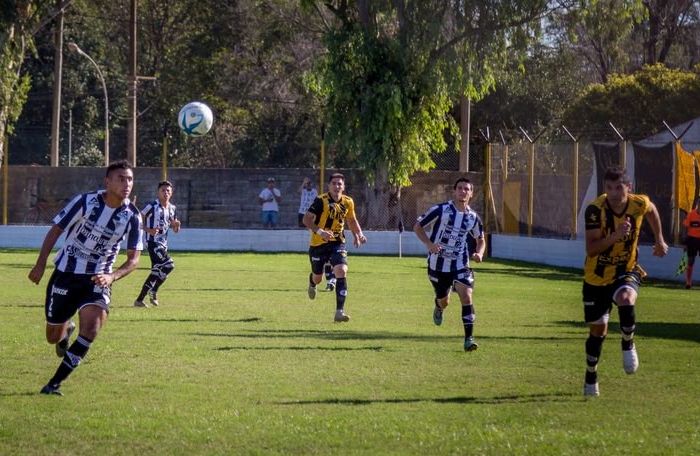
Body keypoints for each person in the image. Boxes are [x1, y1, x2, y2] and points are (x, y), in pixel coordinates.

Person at [28, 160, 143, 396]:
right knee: (52, 336)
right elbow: (55, 231)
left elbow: (134, 259)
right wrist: (40, 265)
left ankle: (54, 384)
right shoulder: (85, 202)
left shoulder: (132, 216)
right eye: (121, 178)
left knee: (91, 327)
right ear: (107, 182)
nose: (127, 184)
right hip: (65, 276)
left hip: (97, 280)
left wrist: (112, 276)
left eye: (130, 179)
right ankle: (65, 329)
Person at [581, 166, 668, 397]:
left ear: (628, 188)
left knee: (626, 298)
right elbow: (591, 249)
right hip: (596, 277)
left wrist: (659, 239)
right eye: (609, 188)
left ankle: (628, 343)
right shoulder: (594, 210)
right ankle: (591, 375)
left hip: (625, 269)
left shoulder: (637, 203)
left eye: (619, 187)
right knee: (598, 331)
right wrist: (615, 236)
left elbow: (651, 210)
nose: (614, 193)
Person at [413, 177, 485, 352]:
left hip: (461, 264)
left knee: (467, 296)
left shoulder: (473, 217)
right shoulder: (441, 210)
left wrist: (479, 253)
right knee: (444, 301)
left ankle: (469, 339)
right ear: (454, 191)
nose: (463, 191)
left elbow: (481, 239)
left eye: (467, 189)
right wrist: (429, 244)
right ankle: (438, 307)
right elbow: (417, 226)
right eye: (460, 188)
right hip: (438, 265)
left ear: (471, 193)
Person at [303, 172, 367, 322]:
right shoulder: (321, 200)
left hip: (337, 243)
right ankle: (312, 282)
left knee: (341, 270)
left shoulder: (348, 202)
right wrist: (320, 232)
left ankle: (339, 312)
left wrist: (359, 234)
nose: (337, 186)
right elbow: (306, 219)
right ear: (329, 186)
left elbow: (351, 220)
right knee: (318, 278)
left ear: (343, 187)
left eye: (340, 184)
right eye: (334, 183)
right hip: (318, 244)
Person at [134, 180, 181, 308]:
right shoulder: (152, 206)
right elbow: (138, 218)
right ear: (158, 192)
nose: (166, 193)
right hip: (152, 242)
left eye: (168, 191)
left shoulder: (172, 208)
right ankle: (153, 290)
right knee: (169, 265)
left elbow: (175, 229)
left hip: (163, 244)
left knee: (156, 271)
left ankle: (139, 300)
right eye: (163, 190)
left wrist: (177, 226)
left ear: (171, 193)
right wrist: (148, 229)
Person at [682, 200, 700, 289]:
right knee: (690, 261)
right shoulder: (691, 214)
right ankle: (688, 282)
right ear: (697, 205)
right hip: (692, 240)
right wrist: (685, 242)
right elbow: (685, 228)